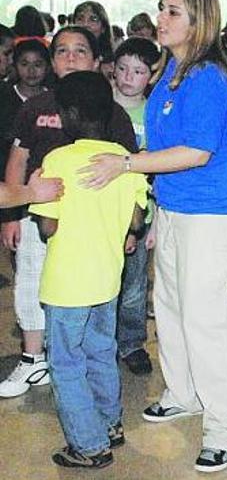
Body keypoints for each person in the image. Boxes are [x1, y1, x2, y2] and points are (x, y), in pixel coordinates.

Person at [78, 0, 227, 472]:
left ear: (197, 20)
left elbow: (196, 153)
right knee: (171, 307)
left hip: (214, 212)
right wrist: (158, 209)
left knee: (209, 320)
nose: (161, 16)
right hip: (178, 207)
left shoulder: (210, 78)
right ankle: (185, 392)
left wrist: (126, 165)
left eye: (172, 10)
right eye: (162, 8)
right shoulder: (172, 70)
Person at [0, 26, 137, 399]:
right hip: (38, 213)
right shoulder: (35, 108)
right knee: (30, 282)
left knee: (94, 295)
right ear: (51, 62)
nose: (71, 57)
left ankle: (89, 362)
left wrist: (130, 229)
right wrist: (12, 214)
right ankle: (33, 359)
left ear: (97, 62)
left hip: (94, 227)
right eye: (62, 51)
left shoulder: (114, 115)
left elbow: (131, 170)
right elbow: (19, 158)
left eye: (81, 51)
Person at [29, 70, 147, 469]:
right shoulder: (123, 163)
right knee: (101, 351)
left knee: (66, 364)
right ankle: (111, 423)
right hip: (107, 280)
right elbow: (135, 222)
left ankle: (90, 444)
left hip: (66, 285)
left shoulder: (57, 160)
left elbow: (48, 226)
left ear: (69, 114)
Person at [112, 36, 161, 375]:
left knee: (133, 285)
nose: (129, 77)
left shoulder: (155, 113)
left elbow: (160, 169)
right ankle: (99, 342)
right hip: (101, 213)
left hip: (140, 214)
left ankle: (131, 342)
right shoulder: (101, 107)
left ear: (151, 76)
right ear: (111, 70)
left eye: (139, 71)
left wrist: (153, 221)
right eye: (123, 69)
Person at [0, 39, 51, 180]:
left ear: (48, 66)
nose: (31, 71)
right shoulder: (4, 96)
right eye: (24, 64)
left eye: (38, 64)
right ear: (14, 65)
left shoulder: (54, 100)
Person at [72, 1, 113, 66]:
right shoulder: (65, 56)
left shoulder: (112, 63)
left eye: (93, 19)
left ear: (103, 28)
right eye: (80, 19)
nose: (85, 24)